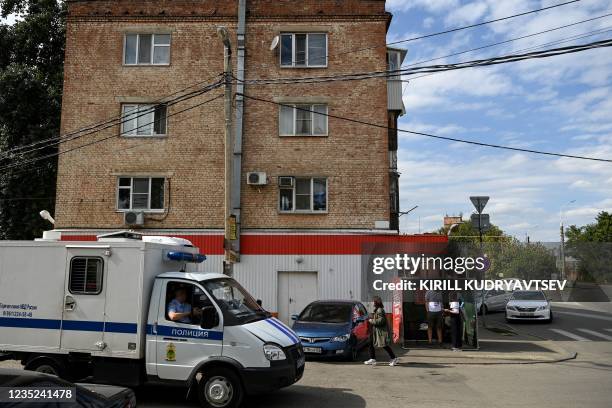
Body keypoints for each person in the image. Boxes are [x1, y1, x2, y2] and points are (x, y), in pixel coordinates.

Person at [364, 296, 400, 366]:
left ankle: (394, 358)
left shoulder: (380, 310)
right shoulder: (377, 309)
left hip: (380, 331)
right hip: (376, 331)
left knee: (384, 345)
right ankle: (372, 359)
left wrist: (371, 320)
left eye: (373, 301)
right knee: (370, 343)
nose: (372, 303)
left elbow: (381, 321)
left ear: (376, 302)